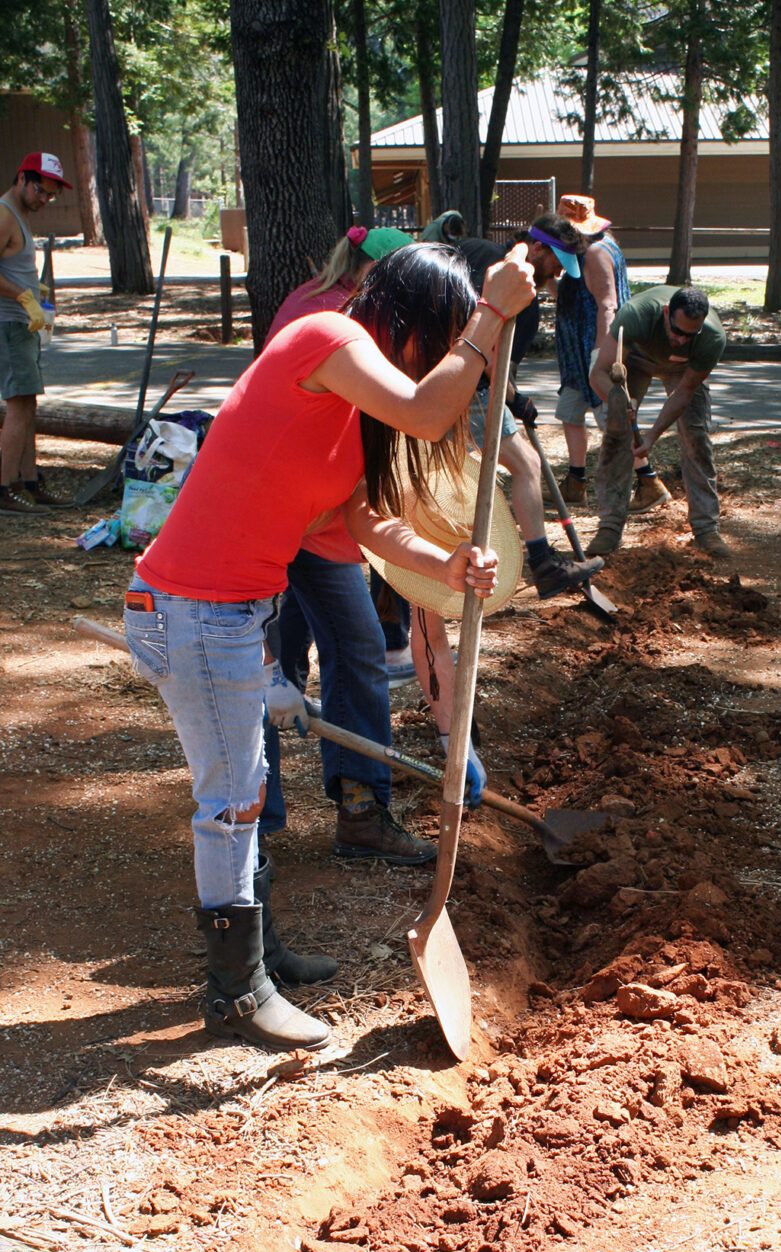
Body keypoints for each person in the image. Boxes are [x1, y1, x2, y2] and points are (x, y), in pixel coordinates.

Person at [123, 242, 533, 1054]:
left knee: (244, 786)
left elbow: (361, 522)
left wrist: (444, 562)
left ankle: (257, 951)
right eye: (445, 336)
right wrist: (490, 315)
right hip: (193, 608)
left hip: (234, 613)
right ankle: (238, 994)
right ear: (408, 319)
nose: (457, 357)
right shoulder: (320, 339)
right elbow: (426, 407)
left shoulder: (350, 423)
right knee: (232, 799)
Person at [260, 224, 447, 868]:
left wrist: (439, 561)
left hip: (329, 518)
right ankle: (254, 820)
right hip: (274, 520)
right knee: (270, 663)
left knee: (360, 646)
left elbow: (369, 504)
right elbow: (417, 412)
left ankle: (362, 810)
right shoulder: (323, 321)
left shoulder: (382, 329)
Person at [456, 214, 605, 599]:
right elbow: (491, 356)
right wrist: (515, 398)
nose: (556, 273)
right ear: (537, 247)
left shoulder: (479, 252)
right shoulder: (518, 291)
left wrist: (513, 395)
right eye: (556, 262)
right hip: (469, 382)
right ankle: (543, 563)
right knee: (527, 465)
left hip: (444, 371)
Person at [586, 285, 727, 559]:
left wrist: (651, 437)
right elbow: (599, 373)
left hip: (683, 369)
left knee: (695, 436)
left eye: (690, 334)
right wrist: (620, 403)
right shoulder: (636, 315)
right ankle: (610, 527)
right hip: (637, 359)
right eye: (677, 331)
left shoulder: (711, 337)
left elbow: (684, 392)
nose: (681, 339)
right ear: (666, 313)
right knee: (618, 434)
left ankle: (706, 528)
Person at [0, 153, 68, 512]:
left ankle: (28, 482)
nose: (44, 200)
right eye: (41, 191)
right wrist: (21, 295)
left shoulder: (21, 215)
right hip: (8, 322)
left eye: (51, 196)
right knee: (17, 404)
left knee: (28, 403)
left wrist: (33, 292)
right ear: (22, 178)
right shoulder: (4, 214)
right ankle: (4, 487)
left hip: (23, 322)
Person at [553, 194, 631, 507]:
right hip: (575, 354)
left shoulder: (598, 252)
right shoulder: (578, 256)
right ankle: (576, 481)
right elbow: (573, 293)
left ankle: (644, 480)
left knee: (611, 416)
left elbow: (608, 305)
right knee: (570, 413)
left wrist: (603, 355)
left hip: (594, 349)